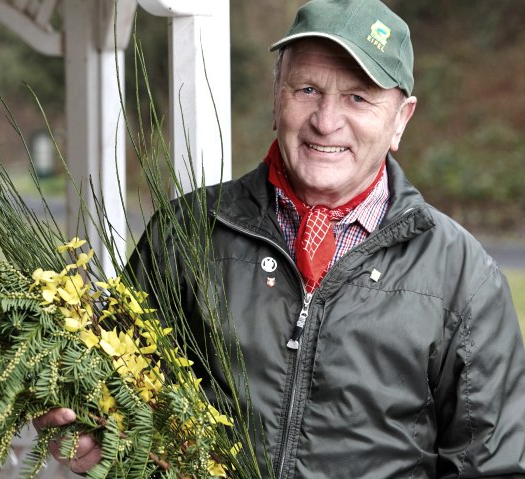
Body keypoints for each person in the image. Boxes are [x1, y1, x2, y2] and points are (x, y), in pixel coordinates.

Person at [34, 0, 525, 477]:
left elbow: (492, 466)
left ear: (401, 119)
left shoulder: (464, 277)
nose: (326, 121)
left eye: (358, 97)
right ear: (276, 96)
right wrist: (88, 436)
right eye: (307, 89)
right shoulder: (185, 233)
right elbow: (114, 402)